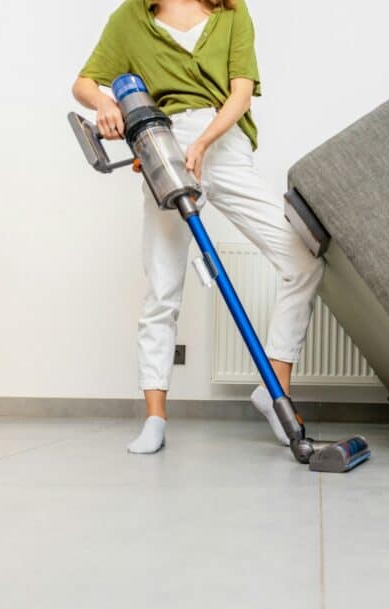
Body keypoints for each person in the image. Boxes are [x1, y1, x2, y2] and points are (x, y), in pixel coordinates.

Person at [73, 0, 323, 453]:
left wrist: (205, 143)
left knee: (301, 262)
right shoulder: (133, 16)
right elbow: (83, 84)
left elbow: (241, 93)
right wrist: (106, 104)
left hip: (223, 144)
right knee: (163, 288)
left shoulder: (231, 12)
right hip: (161, 143)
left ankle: (273, 389)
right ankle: (154, 419)